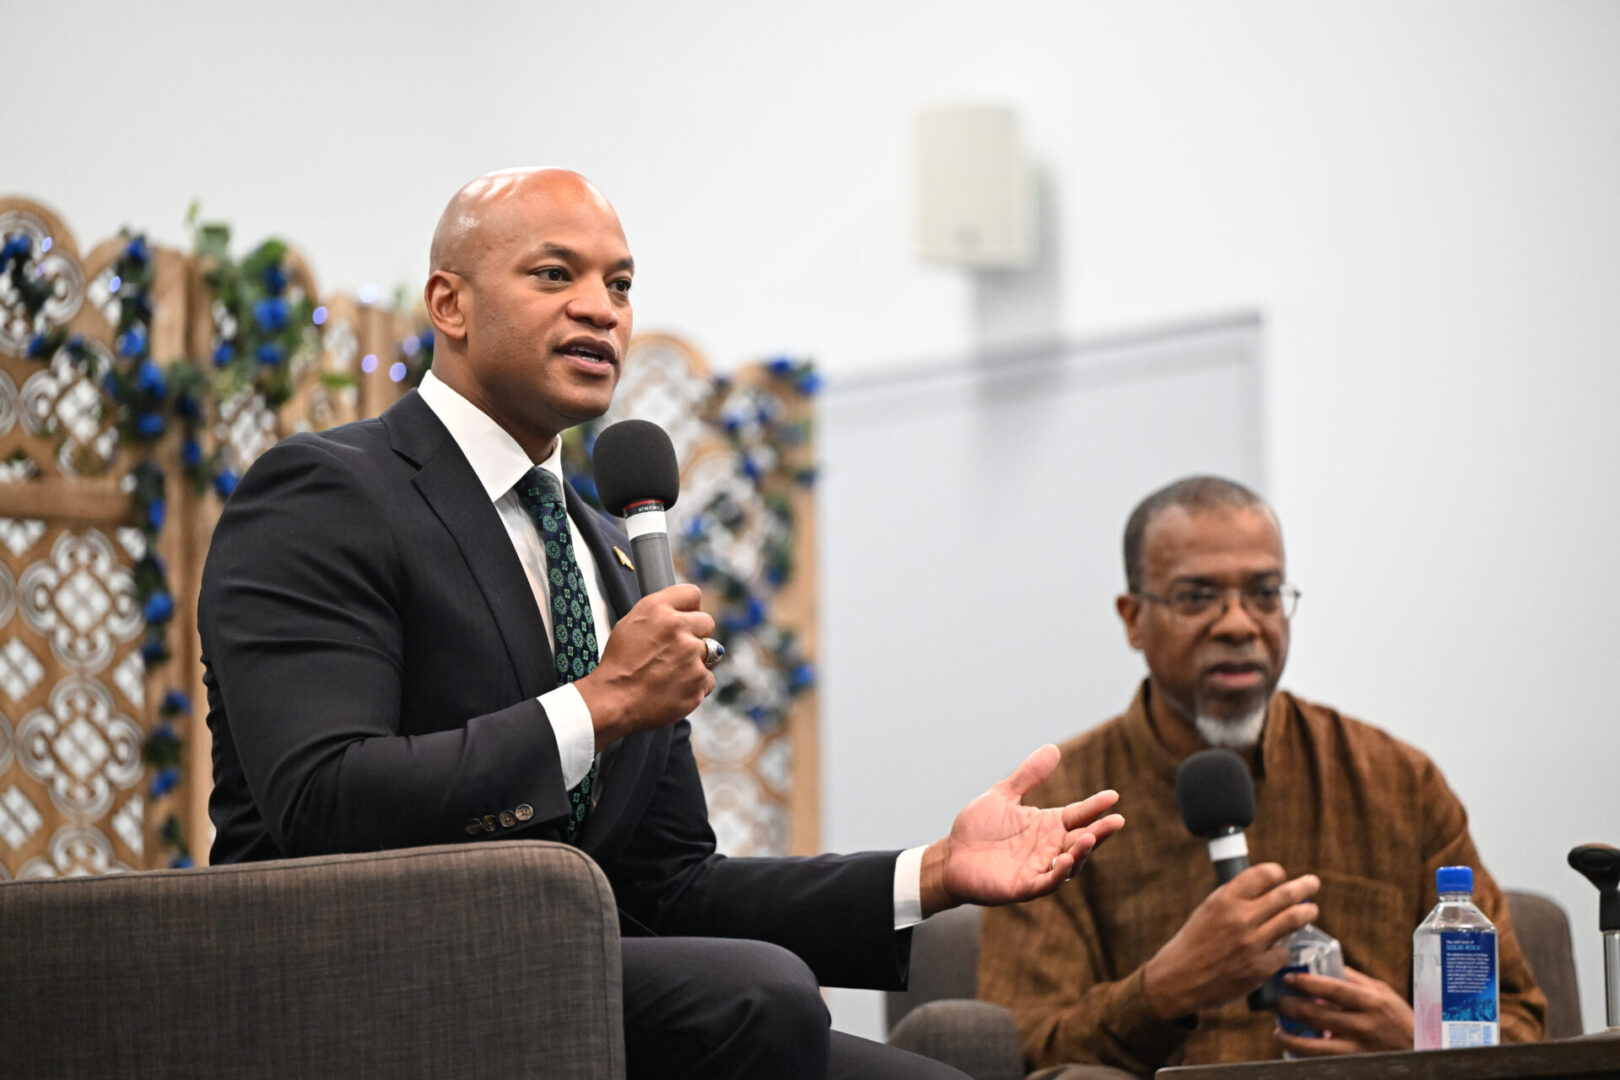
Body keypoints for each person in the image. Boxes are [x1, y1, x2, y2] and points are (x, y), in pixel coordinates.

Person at [199, 167, 1125, 1080]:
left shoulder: (606, 548)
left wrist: (932, 873)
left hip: (556, 973)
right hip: (359, 978)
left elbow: (670, 886)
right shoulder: (329, 492)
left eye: (621, 284)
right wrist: (597, 705)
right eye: (555, 275)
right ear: (450, 303)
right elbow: (321, 798)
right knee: (758, 995)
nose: (601, 309)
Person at [976, 476, 1545, 1077]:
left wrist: (1417, 1038)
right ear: (1134, 617)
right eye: (1197, 596)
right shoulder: (1058, 807)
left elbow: (1522, 1023)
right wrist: (1160, 993)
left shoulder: (1396, 781)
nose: (1239, 625)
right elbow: (1013, 1049)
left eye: (1265, 594)